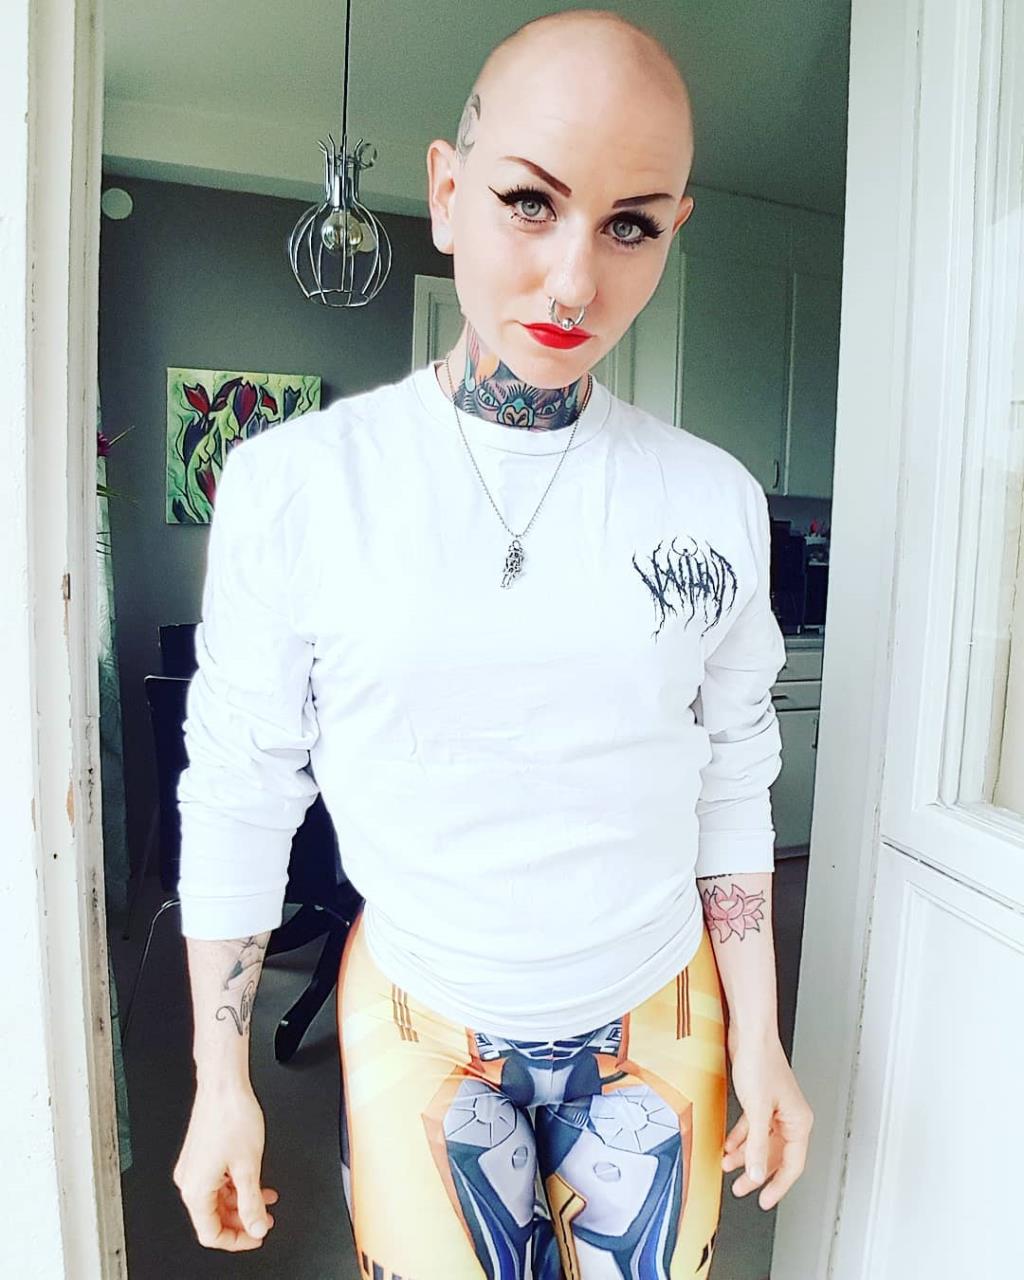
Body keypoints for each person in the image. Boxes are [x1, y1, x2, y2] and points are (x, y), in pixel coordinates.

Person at [171, 9, 814, 1277]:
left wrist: (760, 1037)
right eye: (530, 202)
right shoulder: (297, 486)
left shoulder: (713, 501)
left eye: (630, 225)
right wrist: (219, 1076)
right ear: (448, 191)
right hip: (420, 1005)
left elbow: (734, 773)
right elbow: (241, 785)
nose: (574, 281)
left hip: (659, 996)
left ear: (672, 228)